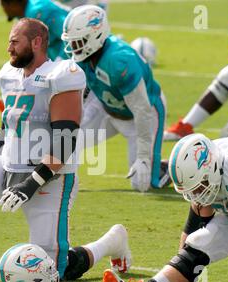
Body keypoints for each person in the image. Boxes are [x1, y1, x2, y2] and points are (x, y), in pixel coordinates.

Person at [0, 18, 132, 282]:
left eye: (14, 41)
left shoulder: (62, 75)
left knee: (51, 273)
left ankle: (110, 242)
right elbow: (8, 127)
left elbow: (66, 139)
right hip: (8, 168)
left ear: (36, 42)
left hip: (49, 179)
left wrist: (31, 184)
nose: (9, 47)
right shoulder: (8, 75)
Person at [103, 133, 228, 282]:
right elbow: (194, 229)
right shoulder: (206, 165)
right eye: (192, 190)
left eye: (199, 187)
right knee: (200, 241)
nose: (197, 194)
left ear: (212, 170)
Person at [61, 5, 169, 193]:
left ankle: (170, 166)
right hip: (106, 108)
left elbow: (142, 110)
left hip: (142, 115)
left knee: (143, 184)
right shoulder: (86, 57)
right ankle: (60, 181)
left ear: (96, 35)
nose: (73, 48)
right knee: (68, 140)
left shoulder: (119, 60)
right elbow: (84, 93)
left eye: (79, 42)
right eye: (72, 42)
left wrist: (143, 157)